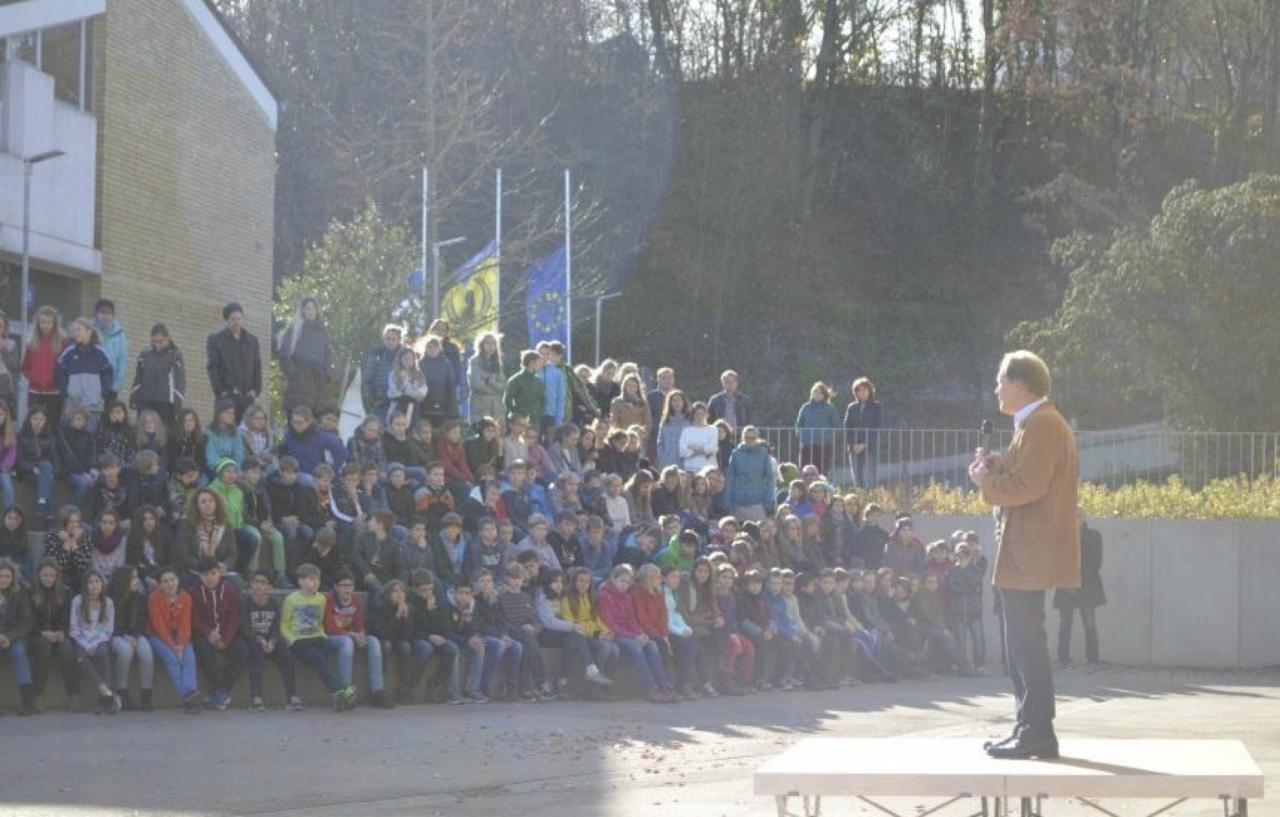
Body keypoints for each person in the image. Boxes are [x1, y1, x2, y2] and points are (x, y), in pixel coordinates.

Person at [969, 350, 1079, 760]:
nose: (996, 388)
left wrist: (986, 481)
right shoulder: (1034, 424)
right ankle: (1029, 727)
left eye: (1000, 380)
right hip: (1027, 546)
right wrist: (998, 465)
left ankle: (1036, 731)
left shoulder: (1043, 425)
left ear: (1021, 383)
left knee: (1026, 642)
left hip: (1030, 547)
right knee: (1021, 640)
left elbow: (1029, 486)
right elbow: (1027, 474)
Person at [596, 564, 678, 703]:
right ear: (613, 579)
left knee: (651, 645)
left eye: (628, 582)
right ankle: (650, 688)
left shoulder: (627, 597)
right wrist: (633, 637)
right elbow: (610, 624)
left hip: (630, 634)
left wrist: (640, 633)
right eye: (622, 581)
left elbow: (632, 620)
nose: (625, 585)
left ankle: (665, 687)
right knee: (636, 647)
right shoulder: (604, 595)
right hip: (613, 635)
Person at [283, 563, 356, 710]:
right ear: (301, 581)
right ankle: (338, 691)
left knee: (325, 652)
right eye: (311, 579)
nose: (315, 582)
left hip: (317, 637)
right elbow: (284, 625)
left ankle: (341, 692)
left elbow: (320, 621)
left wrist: (322, 635)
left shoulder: (321, 599)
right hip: (299, 640)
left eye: (318, 579)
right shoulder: (291, 599)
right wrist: (292, 639)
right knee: (319, 659)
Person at [326, 568, 391, 708]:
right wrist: (352, 635)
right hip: (333, 637)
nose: (347, 589)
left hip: (350, 635)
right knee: (347, 643)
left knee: (373, 641)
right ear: (336, 587)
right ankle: (347, 691)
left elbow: (359, 624)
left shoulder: (356, 601)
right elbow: (329, 627)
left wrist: (360, 634)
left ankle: (377, 691)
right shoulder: (329, 600)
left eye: (350, 585)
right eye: (343, 585)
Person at [241, 568, 303, 712]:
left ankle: (292, 697)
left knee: (286, 656)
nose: (259, 586)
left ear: (269, 587)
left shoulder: (273, 604)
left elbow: (276, 627)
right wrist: (259, 640)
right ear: (251, 584)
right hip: (254, 640)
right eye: (256, 582)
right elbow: (244, 628)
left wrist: (272, 641)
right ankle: (255, 698)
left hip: (271, 640)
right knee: (257, 656)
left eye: (263, 583)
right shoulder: (245, 603)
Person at [189, 558, 247, 710]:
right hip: (204, 634)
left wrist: (225, 639)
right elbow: (195, 620)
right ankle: (219, 692)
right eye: (205, 574)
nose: (210, 578)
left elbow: (234, 618)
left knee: (242, 651)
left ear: (220, 573)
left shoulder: (230, 590)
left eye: (213, 573)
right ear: (199, 576)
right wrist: (209, 634)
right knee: (204, 651)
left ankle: (219, 691)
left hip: (226, 633)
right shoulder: (194, 592)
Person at [1054, 510, 1105, 672]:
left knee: (1089, 624)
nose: (1076, 519)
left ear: (1084, 518)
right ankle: (1063, 660)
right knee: (1064, 624)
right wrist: (1068, 582)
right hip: (1066, 586)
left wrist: (1079, 582)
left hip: (1087, 587)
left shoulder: (1094, 536)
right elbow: (1058, 560)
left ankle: (1093, 661)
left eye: (1079, 516)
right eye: (1073, 516)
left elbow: (1096, 562)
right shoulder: (1062, 536)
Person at [148, 567, 203, 713]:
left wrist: (180, 644)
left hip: (181, 636)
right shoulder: (154, 598)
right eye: (165, 581)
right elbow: (158, 625)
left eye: (172, 580)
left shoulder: (186, 597)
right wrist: (173, 646)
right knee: (173, 659)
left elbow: (185, 623)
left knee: (189, 658)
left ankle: (189, 694)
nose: (169, 584)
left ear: (178, 580)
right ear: (159, 584)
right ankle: (188, 697)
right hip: (159, 636)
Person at [29, 560, 79, 712]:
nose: (48, 579)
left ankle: (73, 695)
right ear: (38, 575)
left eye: (52, 575)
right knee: (44, 648)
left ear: (57, 576)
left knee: (67, 649)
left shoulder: (66, 592)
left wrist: (62, 632)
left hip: (59, 634)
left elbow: (69, 618)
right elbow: (28, 619)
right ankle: (37, 695)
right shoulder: (30, 592)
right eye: (44, 575)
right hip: (36, 634)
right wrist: (42, 633)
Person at [70, 570, 121, 714]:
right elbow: (74, 627)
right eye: (90, 582)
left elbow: (107, 629)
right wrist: (86, 645)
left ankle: (102, 701)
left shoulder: (108, 602)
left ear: (102, 584)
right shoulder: (78, 600)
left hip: (100, 640)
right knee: (81, 658)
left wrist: (95, 644)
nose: (94, 585)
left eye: (97, 582)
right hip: (81, 640)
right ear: (85, 585)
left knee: (103, 654)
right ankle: (107, 693)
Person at [206, 302, 263, 424]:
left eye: (239, 318)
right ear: (227, 320)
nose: (236, 322)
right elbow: (212, 367)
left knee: (246, 433)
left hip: (247, 396)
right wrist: (220, 391)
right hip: (226, 396)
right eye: (233, 319)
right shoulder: (216, 340)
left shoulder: (252, 341)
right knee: (226, 431)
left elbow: (257, 366)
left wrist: (256, 390)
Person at [56, 317, 115, 430]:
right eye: (74, 330)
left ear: (89, 331)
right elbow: (59, 372)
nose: (75, 333)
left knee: (90, 437)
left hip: (92, 405)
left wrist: (102, 393)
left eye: (79, 329)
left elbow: (108, 373)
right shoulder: (69, 352)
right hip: (73, 405)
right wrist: (65, 391)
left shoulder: (100, 352)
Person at [277, 296, 333, 414]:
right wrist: (295, 374)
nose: (311, 311)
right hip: (298, 388)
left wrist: (325, 376)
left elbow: (327, 356)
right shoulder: (295, 328)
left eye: (313, 308)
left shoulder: (323, 332)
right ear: (302, 310)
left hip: (317, 388)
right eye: (308, 308)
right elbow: (284, 354)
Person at [108, 565, 153, 711]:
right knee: (125, 651)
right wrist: (125, 636)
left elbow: (141, 621)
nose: (137, 580)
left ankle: (146, 695)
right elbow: (110, 624)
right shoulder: (110, 599)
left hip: (134, 634)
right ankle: (121, 692)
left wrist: (135, 636)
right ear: (123, 580)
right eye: (133, 577)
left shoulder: (139, 597)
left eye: (137, 577)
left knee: (145, 652)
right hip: (115, 635)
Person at [129, 323, 185, 428]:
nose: (157, 345)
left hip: (165, 402)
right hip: (146, 400)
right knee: (143, 433)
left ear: (167, 338)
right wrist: (134, 397)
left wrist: (177, 403)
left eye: (160, 341)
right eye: (154, 341)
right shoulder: (145, 353)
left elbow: (180, 381)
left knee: (163, 435)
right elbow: (138, 378)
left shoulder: (175, 354)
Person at [0, 558, 36, 715]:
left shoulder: (20, 592)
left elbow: (27, 620)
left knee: (19, 652)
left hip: (14, 636)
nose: (3, 580)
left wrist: (9, 637)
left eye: (7, 576)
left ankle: (28, 700)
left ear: (13, 577)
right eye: (0, 576)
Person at [23, 306, 70, 424]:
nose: (45, 325)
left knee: (52, 426)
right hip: (35, 392)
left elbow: (67, 367)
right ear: (37, 323)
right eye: (42, 322)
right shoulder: (31, 342)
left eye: (49, 322)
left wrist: (57, 381)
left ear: (55, 323)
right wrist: (34, 378)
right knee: (34, 426)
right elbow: (25, 367)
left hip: (54, 393)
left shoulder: (63, 342)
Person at [18, 407, 57, 525]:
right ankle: (49, 515)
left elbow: (56, 460)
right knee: (49, 479)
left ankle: (42, 502)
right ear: (29, 419)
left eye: (42, 419)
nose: (38, 422)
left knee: (46, 467)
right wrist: (33, 469)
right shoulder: (21, 436)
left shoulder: (50, 437)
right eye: (35, 418)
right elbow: (19, 462)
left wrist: (50, 471)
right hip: (29, 473)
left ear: (46, 421)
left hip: (46, 472)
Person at [844, 377, 883, 488]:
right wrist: (853, 444)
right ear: (855, 392)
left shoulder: (876, 407)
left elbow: (877, 427)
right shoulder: (851, 407)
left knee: (871, 477)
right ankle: (859, 498)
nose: (862, 392)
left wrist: (864, 444)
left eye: (864, 389)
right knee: (857, 478)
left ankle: (870, 499)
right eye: (859, 390)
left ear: (870, 390)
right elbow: (847, 427)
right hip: (854, 447)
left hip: (870, 446)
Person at [795, 381, 839, 477]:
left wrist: (827, 437)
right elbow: (799, 425)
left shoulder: (830, 408)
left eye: (820, 393)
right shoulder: (806, 407)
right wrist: (803, 437)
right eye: (815, 392)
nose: (817, 395)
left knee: (822, 473)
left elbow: (836, 426)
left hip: (824, 446)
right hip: (807, 446)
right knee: (806, 472)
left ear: (825, 394)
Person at [362, 324, 403, 419]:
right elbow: (367, 380)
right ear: (384, 339)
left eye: (393, 339)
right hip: (379, 402)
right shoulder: (377, 355)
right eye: (388, 339)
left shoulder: (404, 356)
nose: (390, 342)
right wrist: (371, 400)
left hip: (399, 403)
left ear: (399, 340)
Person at [417, 335, 459, 426]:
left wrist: (452, 412)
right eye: (429, 347)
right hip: (423, 409)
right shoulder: (419, 365)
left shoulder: (446, 365)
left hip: (442, 410)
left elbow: (451, 388)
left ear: (439, 348)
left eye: (435, 347)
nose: (432, 350)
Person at [467, 332, 505, 430]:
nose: (490, 346)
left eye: (493, 343)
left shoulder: (498, 364)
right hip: (480, 406)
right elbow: (476, 384)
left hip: (496, 407)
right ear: (481, 345)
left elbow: (503, 386)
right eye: (487, 343)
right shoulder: (474, 361)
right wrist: (493, 388)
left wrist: (490, 382)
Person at [504, 350, 544, 428]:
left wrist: (539, 413)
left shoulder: (539, 381)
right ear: (531, 363)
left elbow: (542, 400)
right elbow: (507, 400)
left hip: (536, 421)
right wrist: (517, 414)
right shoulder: (515, 380)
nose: (541, 365)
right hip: (519, 423)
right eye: (539, 362)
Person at [387, 346, 428, 422]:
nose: (408, 361)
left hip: (413, 409)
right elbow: (394, 393)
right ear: (400, 360)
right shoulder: (393, 374)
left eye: (410, 358)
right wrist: (411, 390)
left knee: (410, 429)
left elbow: (422, 393)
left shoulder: (419, 375)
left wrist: (405, 389)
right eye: (405, 358)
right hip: (397, 408)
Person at [655, 390, 691, 470]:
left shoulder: (690, 420)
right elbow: (660, 442)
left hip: (686, 461)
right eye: (674, 400)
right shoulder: (665, 422)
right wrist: (662, 457)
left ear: (684, 402)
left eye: (679, 400)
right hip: (668, 460)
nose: (677, 403)